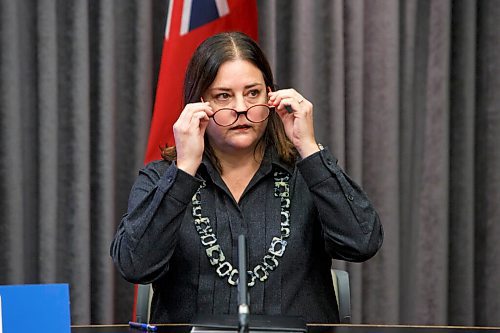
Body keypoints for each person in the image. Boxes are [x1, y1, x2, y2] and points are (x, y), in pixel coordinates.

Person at [110, 31, 383, 324]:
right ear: (199, 104)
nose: (241, 108)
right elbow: (134, 265)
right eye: (223, 96)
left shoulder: (307, 174)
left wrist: (309, 148)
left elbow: (363, 242)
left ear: (271, 96)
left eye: (252, 93)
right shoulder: (160, 178)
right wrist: (185, 169)